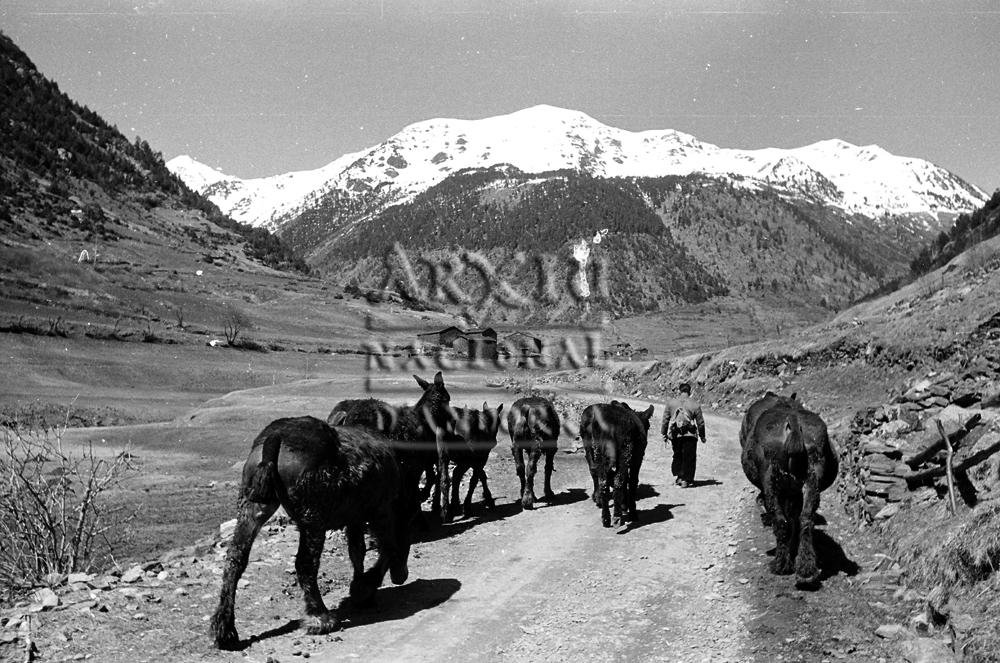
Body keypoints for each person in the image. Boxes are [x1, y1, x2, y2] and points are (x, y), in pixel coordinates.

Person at [662, 382, 706, 488]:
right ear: (689, 392)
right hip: (690, 435)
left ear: (679, 391)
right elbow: (700, 423)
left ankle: (679, 477)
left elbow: (665, 420)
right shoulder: (695, 404)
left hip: (675, 434)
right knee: (689, 457)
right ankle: (686, 480)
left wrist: (664, 433)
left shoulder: (671, 403)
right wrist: (702, 435)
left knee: (678, 455)